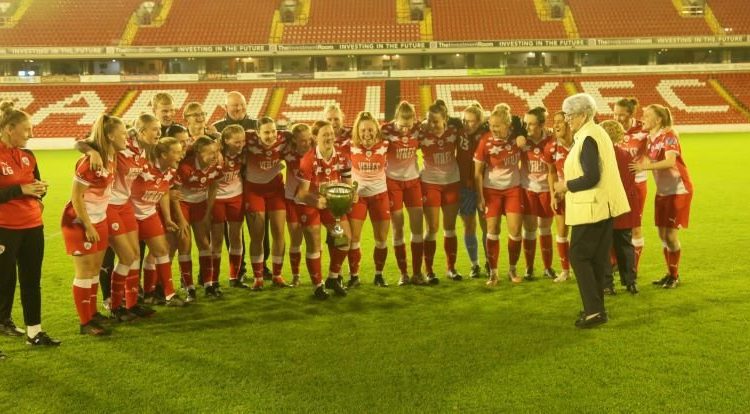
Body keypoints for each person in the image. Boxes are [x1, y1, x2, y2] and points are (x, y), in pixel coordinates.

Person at [553, 93, 629, 328]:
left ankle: (594, 310)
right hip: (601, 206)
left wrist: (566, 186)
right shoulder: (595, 133)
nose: (568, 120)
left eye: (570, 116)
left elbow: (591, 177)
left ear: (583, 115)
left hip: (591, 207)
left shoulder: (587, 137)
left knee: (579, 256)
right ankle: (595, 308)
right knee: (596, 259)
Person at [77, 114, 162, 320]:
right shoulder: (122, 143)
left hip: (125, 206)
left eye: (160, 130)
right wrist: (91, 151)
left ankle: (131, 304)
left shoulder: (143, 149)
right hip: (109, 207)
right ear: (140, 131)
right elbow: (80, 143)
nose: (159, 134)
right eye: (154, 130)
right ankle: (115, 306)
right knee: (125, 256)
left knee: (134, 255)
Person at [61, 114, 128, 336]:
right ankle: (85, 322)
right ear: (110, 135)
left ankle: (91, 313)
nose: (127, 137)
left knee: (93, 271)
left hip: (99, 218)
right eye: (123, 133)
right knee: (84, 271)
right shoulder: (89, 162)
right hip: (81, 221)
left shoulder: (110, 156)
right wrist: (88, 226)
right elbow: (76, 197)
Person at [0, 101, 60, 347]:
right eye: (26, 129)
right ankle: (3, 321)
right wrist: (20, 189)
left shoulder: (28, 155)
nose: (31, 134)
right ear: (9, 128)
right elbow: (17, 188)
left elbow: (34, 184)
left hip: (33, 225)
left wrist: (38, 190)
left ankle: (34, 332)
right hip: (4, 227)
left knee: (31, 280)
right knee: (2, 279)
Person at [630, 104, 693, 289]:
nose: (643, 118)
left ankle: (674, 276)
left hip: (678, 189)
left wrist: (643, 167)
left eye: (647, 115)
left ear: (658, 119)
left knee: (671, 236)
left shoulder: (669, 135)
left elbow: (670, 161)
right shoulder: (650, 138)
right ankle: (669, 274)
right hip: (663, 191)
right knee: (662, 234)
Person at [296, 120, 353, 298]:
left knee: (344, 240)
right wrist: (315, 200)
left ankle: (333, 278)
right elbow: (301, 194)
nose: (329, 137)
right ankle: (317, 285)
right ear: (315, 138)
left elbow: (347, 186)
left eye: (330, 134)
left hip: (331, 206)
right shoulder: (308, 159)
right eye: (324, 135)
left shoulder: (343, 157)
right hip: (309, 205)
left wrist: (351, 196)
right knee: (314, 243)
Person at [130, 137, 188, 307]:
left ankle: (165, 294)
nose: (181, 155)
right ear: (163, 154)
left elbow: (164, 192)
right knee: (131, 257)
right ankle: (129, 300)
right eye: (176, 152)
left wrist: (168, 218)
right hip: (131, 215)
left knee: (161, 250)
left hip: (149, 213)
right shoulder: (144, 167)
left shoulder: (170, 171)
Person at [473, 104, 525, 286]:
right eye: (491, 125)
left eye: (497, 125)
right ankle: (493, 273)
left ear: (508, 126)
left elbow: (525, 122)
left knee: (516, 231)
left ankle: (512, 270)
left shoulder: (517, 138)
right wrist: (480, 197)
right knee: (492, 230)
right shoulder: (485, 141)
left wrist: (520, 134)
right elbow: (477, 173)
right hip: (491, 191)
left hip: (513, 190)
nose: (493, 129)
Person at [212, 91, 260, 282]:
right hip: (220, 194)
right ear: (226, 107)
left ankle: (252, 270)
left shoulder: (256, 125)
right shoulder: (216, 131)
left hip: (247, 190)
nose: (239, 108)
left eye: (241, 104)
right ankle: (216, 278)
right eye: (234, 105)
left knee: (251, 232)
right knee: (220, 237)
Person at [243, 117, 291, 290]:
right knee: (257, 235)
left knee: (279, 232)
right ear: (257, 133)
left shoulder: (285, 138)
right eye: (266, 132)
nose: (271, 135)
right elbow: (226, 139)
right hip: (254, 192)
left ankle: (277, 275)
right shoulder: (247, 139)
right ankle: (258, 277)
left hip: (276, 191)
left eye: (273, 131)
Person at [418, 102, 463, 284]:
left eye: (436, 121)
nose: (432, 125)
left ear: (444, 120)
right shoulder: (422, 134)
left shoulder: (454, 132)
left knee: (450, 228)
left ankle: (451, 268)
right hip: (430, 183)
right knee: (432, 228)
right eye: (429, 120)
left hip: (452, 182)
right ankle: (428, 271)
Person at [382, 101, 425, 285]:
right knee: (397, 228)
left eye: (409, 125)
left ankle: (417, 273)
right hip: (393, 182)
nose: (406, 130)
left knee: (417, 228)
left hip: (413, 181)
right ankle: (403, 274)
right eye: (402, 125)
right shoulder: (385, 130)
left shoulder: (419, 130)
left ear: (414, 120)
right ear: (395, 119)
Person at [173, 136, 221, 298]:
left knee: (204, 243)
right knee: (185, 245)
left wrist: (208, 212)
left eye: (216, 151)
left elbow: (214, 187)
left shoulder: (217, 165)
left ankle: (208, 285)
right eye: (211, 153)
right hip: (184, 205)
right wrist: (180, 219)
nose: (215, 156)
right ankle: (189, 287)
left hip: (200, 204)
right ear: (199, 153)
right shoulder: (186, 167)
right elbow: (175, 194)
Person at [348, 111, 391, 287]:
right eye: (363, 130)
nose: (367, 134)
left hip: (380, 195)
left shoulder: (386, 144)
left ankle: (379, 275)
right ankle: (354, 276)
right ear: (357, 131)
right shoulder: (349, 145)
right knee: (354, 238)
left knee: (381, 238)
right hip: (358, 197)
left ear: (377, 130)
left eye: (371, 130)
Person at [601, 120, 640, 295]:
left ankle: (607, 284)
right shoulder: (627, 155)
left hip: (606, 207)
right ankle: (630, 282)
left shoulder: (600, 157)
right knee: (625, 246)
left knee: (604, 247)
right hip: (625, 206)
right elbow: (632, 182)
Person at [520, 106, 557, 281]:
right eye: (525, 123)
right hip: (528, 189)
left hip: (546, 190)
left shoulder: (551, 140)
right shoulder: (521, 139)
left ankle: (548, 267)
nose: (527, 127)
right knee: (529, 229)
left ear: (542, 124)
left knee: (545, 228)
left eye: (531, 124)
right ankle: (528, 268)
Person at [613, 98, 648, 272]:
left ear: (631, 113)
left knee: (635, 227)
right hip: (615, 185)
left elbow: (658, 145)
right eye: (615, 114)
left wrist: (645, 164)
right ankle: (614, 264)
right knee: (614, 225)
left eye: (621, 115)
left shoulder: (644, 129)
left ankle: (632, 268)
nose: (617, 118)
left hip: (637, 185)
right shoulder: (611, 129)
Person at [211, 125, 247, 288]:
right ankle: (214, 279)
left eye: (243, 141)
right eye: (237, 142)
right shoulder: (216, 154)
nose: (241, 145)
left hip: (236, 197)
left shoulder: (244, 153)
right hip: (217, 198)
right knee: (217, 240)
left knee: (236, 237)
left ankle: (235, 277)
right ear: (226, 141)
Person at [457, 103, 489, 279]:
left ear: (480, 121)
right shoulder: (458, 131)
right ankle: (474, 265)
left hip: (484, 187)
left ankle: (489, 262)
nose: (468, 124)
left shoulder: (486, 135)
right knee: (469, 225)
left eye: (472, 122)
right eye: (466, 121)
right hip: (464, 187)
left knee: (487, 227)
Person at [283, 123, 314, 287]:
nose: (307, 143)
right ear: (294, 140)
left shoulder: (316, 151)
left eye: (309, 139)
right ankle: (296, 276)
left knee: (313, 239)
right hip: (291, 200)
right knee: (295, 239)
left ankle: (316, 275)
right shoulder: (287, 152)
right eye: (302, 140)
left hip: (310, 201)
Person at [546, 111, 573, 283]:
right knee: (562, 232)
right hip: (562, 194)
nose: (556, 125)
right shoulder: (551, 147)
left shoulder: (580, 143)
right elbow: (551, 172)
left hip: (580, 193)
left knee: (581, 235)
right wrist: (553, 195)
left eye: (560, 122)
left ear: (569, 123)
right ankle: (565, 270)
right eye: (554, 122)